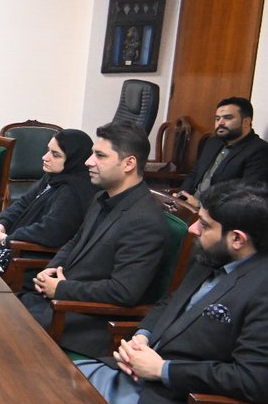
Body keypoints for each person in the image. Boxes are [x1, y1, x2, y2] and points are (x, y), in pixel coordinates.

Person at [77, 181, 268, 404]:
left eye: (204, 225)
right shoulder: (217, 254)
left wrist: (162, 370)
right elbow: (171, 302)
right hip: (144, 380)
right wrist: (143, 336)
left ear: (237, 239)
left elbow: (256, 379)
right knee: (58, 390)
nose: (192, 230)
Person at [20, 121, 168, 358]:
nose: (88, 162)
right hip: (56, 305)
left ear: (129, 163)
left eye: (100, 156)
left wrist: (62, 289)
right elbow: (74, 242)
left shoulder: (144, 220)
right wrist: (49, 270)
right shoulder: (102, 198)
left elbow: (123, 292)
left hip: (84, 323)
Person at [0, 128, 97, 255]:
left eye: (55, 154)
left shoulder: (73, 191)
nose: (45, 157)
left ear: (74, 159)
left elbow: (51, 231)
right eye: (48, 150)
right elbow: (24, 203)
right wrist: (3, 224)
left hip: (28, 259)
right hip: (14, 246)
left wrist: (7, 239)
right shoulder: (53, 176)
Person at [175, 97, 268, 210]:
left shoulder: (260, 151)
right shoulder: (213, 142)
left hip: (216, 216)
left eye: (228, 118)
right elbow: (195, 173)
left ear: (246, 122)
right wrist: (181, 196)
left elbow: (251, 197)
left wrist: (201, 206)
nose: (220, 122)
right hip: (188, 207)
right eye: (217, 118)